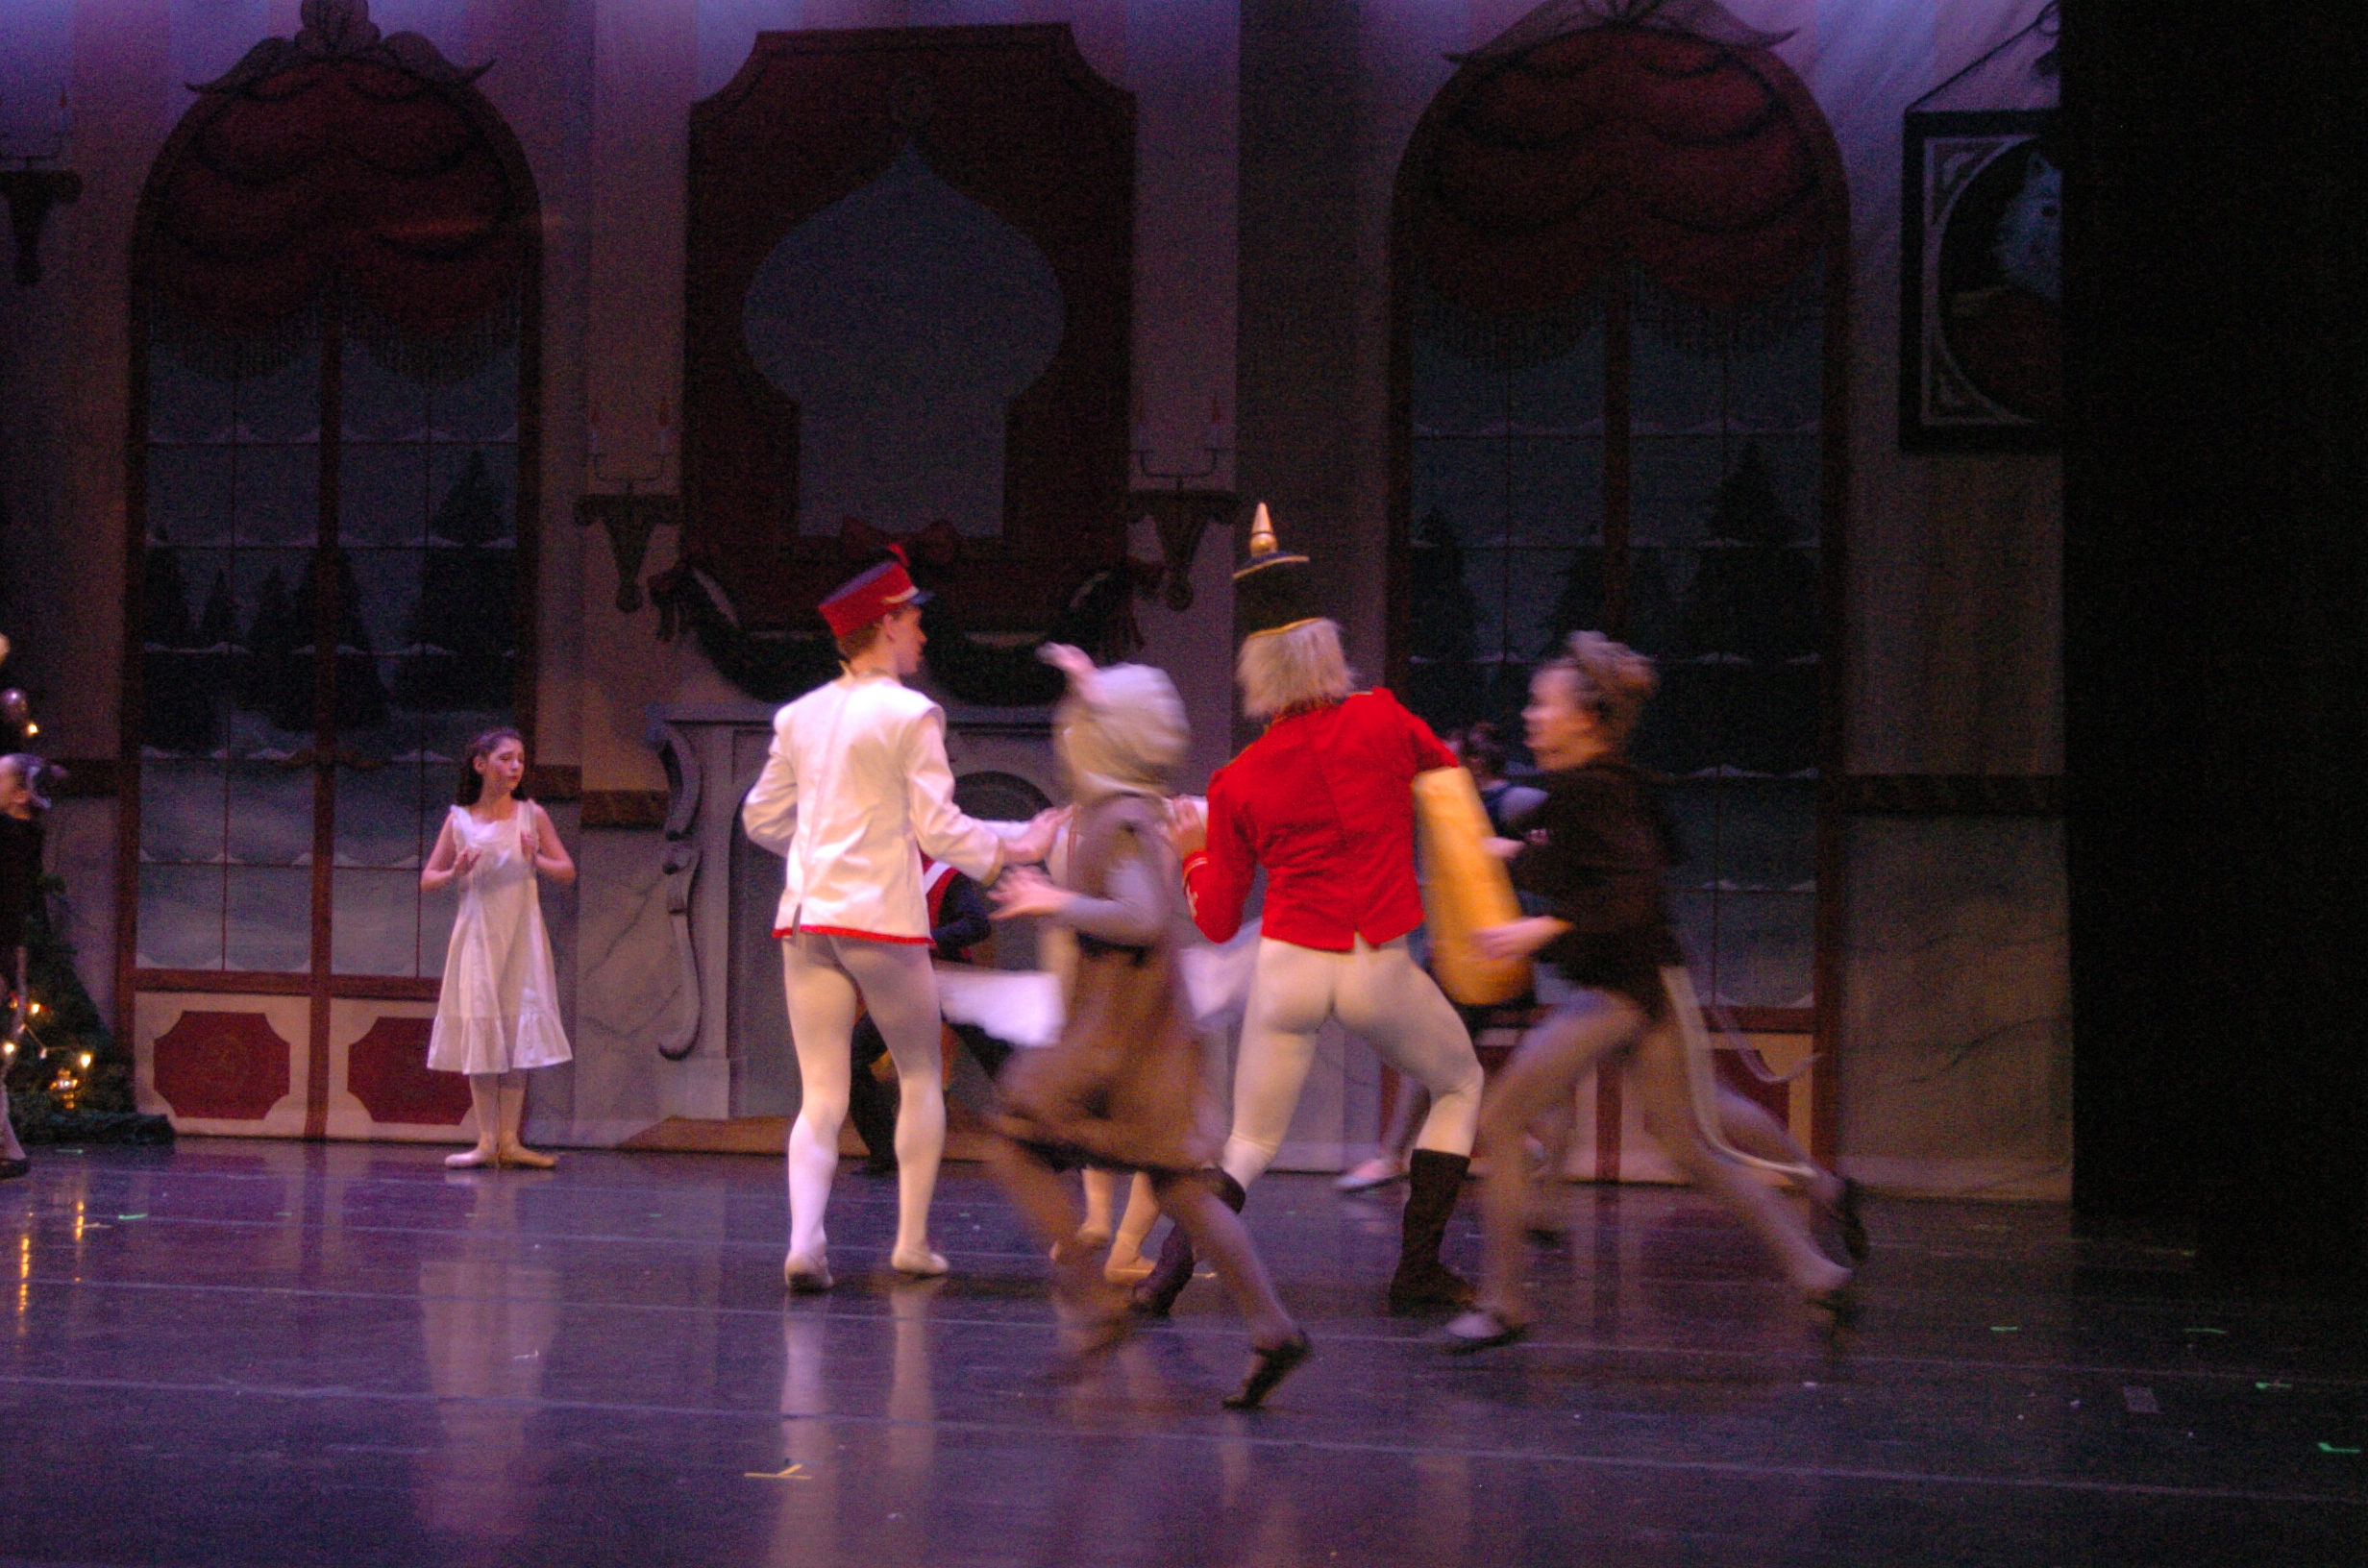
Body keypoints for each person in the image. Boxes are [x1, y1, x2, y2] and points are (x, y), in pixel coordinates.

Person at [1443, 634, 1854, 1351]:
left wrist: (1540, 926)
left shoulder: (1594, 790)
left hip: (1623, 990)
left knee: (1505, 1119)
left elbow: (1628, 888)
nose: (1531, 716)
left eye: (1543, 704)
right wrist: (1518, 853)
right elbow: (1603, 855)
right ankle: (1815, 1268)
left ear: (1586, 720)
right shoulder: (1600, 786)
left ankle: (1504, 1302)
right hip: (1636, 984)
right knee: (1691, 1144)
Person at [1147, 506, 1486, 1317]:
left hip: (1289, 966)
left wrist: (1192, 850)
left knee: (1250, 1142)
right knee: (1460, 1083)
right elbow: (1448, 783)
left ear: (1256, 671)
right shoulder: (1383, 719)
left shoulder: (1237, 780)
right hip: (1375, 965)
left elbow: (1217, 921)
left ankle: (1165, 1278)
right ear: (1326, 649)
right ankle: (1418, 1270)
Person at [987, 647, 1310, 1409]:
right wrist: (1089, 683)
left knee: (1013, 1140)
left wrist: (1052, 903)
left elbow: (1140, 918)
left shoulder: (1122, 820)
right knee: (1180, 1185)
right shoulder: (1129, 807)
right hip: (1141, 1027)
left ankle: (1095, 1302)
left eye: (1081, 724)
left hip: (1118, 1034)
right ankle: (1273, 1329)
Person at [741, 550, 1058, 1290]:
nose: (922, 633)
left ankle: (805, 1243)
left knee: (822, 1093)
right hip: (878, 920)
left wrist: (824, 850)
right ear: (886, 624)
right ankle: (911, 1243)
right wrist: (1018, 846)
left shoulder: (798, 715)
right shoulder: (912, 713)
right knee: (918, 1074)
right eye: (913, 620)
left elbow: (761, 818)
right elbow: (939, 829)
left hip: (808, 918)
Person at [1336, 723, 1546, 1194]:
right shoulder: (1456, 805)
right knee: (1439, 1057)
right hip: (1459, 954)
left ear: (1475, 762)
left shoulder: (1508, 801)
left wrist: (1518, 847)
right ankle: (1514, 1136)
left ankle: (1396, 1155)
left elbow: (1560, 835)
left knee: (1438, 1058)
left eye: (1446, 758)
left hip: (1491, 953)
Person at [421, 728, 576, 1169]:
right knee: (482, 1027)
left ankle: (510, 1139)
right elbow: (428, 879)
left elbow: (566, 870)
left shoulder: (531, 815)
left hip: (521, 936)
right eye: (506, 758)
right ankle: (487, 1140)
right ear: (481, 764)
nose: (515, 767)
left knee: (516, 1033)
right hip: (478, 936)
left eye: (520, 759)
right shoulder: (460, 819)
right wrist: (454, 871)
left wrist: (535, 859)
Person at [842, 855, 998, 1177]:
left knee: (1003, 1066)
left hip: (948, 981)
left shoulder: (943, 875)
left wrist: (925, 941)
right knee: (852, 1059)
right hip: (907, 983)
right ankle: (884, 1153)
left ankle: (1055, 1146)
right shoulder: (886, 876)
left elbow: (978, 925)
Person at [0, 753, 50, 1181]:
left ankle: (8, 1149)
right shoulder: (16, 834)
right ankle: (9, 1149)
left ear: (19, 794)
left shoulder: (14, 837)